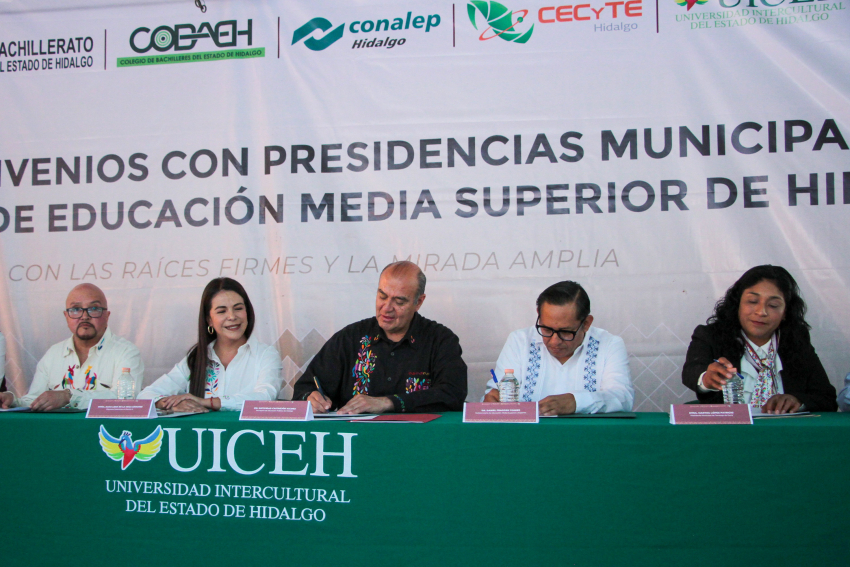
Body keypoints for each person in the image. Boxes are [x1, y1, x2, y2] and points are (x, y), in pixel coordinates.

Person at [293, 261, 467, 414]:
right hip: (356, 438)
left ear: (418, 302)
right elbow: (305, 387)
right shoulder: (350, 338)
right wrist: (310, 398)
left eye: (399, 301)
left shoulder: (440, 340)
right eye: (382, 296)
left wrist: (388, 402)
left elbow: (452, 394)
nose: (387, 307)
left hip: (419, 438)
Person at [682, 265, 837, 413]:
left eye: (773, 305)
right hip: (730, 429)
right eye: (752, 301)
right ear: (738, 304)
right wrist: (707, 379)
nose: (761, 312)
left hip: (784, 429)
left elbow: (826, 397)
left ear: (785, 312)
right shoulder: (711, 335)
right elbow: (691, 372)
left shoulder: (796, 340)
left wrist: (797, 401)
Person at [483, 281, 634, 415]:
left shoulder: (609, 344)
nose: (554, 341)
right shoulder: (520, 341)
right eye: (546, 329)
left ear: (586, 324)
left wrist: (576, 402)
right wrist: (492, 399)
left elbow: (622, 398)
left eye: (565, 332)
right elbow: (494, 393)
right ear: (539, 315)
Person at [139, 278, 283, 412]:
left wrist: (207, 402)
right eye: (221, 311)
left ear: (248, 312)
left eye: (238, 308)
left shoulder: (265, 354)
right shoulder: (197, 357)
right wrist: (173, 404)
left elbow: (265, 397)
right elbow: (146, 395)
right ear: (209, 320)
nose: (232, 316)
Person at [0, 284, 143, 411]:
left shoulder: (126, 352)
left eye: (94, 308)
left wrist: (69, 397)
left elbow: (125, 401)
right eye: (76, 309)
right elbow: (35, 400)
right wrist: (13, 401)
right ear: (66, 316)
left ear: (107, 315)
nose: (84, 316)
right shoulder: (54, 354)